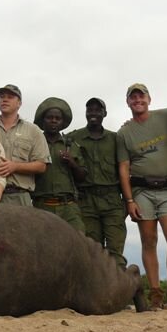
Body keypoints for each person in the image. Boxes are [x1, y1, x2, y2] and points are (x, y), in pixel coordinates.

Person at [117, 84, 167, 311]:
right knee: (149, 240)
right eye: (133, 97)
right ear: (128, 102)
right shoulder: (124, 133)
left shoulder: (166, 116)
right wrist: (129, 200)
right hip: (142, 190)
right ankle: (156, 292)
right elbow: (123, 168)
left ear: (149, 98)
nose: (138, 100)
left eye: (141, 96)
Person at [68, 98, 127, 268]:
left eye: (97, 110)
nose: (93, 113)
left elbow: (125, 169)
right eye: (90, 110)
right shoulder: (74, 137)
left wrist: (127, 201)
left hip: (112, 201)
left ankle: (118, 292)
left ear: (104, 114)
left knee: (116, 252)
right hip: (86, 201)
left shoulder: (116, 139)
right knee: (92, 251)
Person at [32, 97, 87, 232]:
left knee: (79, 241)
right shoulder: (34, 144)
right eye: (49, 117)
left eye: (58, 118)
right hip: (41, 206)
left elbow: (82, 176)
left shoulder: (71, 145)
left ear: (62, 122)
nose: (54, 121)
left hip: (68, 207)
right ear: (42, 121)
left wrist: (72, 163)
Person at [0, 84, 51, 205]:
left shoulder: (33, 131)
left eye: (10, 97)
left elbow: (41, 165)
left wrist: (15, 166)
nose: (5, 99)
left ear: (19, 103)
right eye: (2, 96)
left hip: (20, 197)